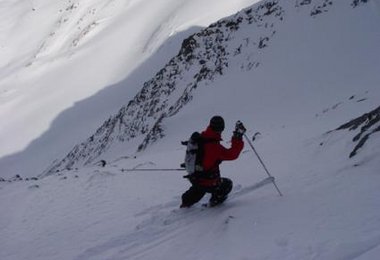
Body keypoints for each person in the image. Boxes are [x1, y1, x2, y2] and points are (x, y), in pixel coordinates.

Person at [180, 116, 246, 208]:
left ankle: (186, 203)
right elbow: (232, 154)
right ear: (222, 128)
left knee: (198, 188)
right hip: (207, 180)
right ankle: (214, 205)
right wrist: (237, 137)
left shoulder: (201, 138)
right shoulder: (214, 147)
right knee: (226, 184)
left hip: (194, 176)